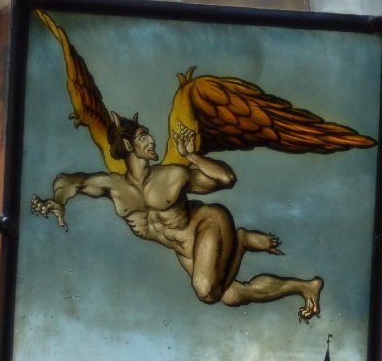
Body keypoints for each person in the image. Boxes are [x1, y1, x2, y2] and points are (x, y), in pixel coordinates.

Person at [31, 113, 323, 322]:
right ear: (129, 146)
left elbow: (226, 178)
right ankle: (304, 286)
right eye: (144, 136)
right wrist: (58, 201)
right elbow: (69, 181)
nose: (152, 140)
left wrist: (192, 155)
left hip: (208, 223)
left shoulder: (173, 175)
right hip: (185, 248)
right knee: (232, 295)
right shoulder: (113, 187)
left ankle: (241, 240)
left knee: (205, 290)